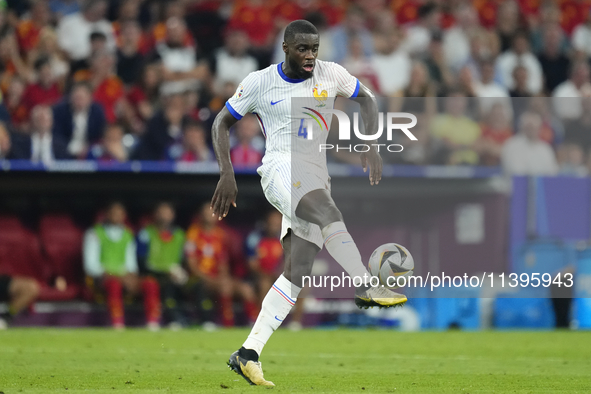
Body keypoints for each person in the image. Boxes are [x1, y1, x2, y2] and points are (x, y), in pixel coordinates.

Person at [210, 20, 405, 386]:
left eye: (314, 48)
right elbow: (221, 122)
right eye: (303, 49)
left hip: (316, 175)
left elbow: (367, 98)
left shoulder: (331, 74)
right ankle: (366, 283)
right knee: (330, 213)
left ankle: (248, 353)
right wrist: (227, 172)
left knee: (297, 272)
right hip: (281, 169)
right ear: (285, 47)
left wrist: (370, 143)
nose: (311, 56)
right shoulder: (260, 82)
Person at [83, 201, 161, 330]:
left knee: (150, 283)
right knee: (114, 284)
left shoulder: (127, 234)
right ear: (106, 214)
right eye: (113, 213)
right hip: (102, 278)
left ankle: (153, 323)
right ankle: (117, 323)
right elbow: (90, 266)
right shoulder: (94, 233)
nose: (116, 216)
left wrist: (130, 277)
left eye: (119, 213)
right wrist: (114, 275)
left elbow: (131, 264)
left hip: (124, 277)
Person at [185, 203, 258, 328]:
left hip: (218, 279)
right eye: (207, 212)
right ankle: (227, 323)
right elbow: (191, 266)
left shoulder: (220, 235)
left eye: (213, 211)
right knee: (225, 288)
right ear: (201, 215)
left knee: (246, 289)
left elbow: (223, 262)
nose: (211, 214)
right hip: (199, 279)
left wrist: (223, 277)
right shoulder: (193, 234)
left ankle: (255, 324)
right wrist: (212, 279)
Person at [137, 202, 188, 328]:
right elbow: (141, 261)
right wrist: (164, 271)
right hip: (152, 273)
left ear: (173, 215)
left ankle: (198, 320)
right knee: (165, 285)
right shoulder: (145, 233)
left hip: (175, 273)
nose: (164, 216)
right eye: (161, 212)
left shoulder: (180, 235)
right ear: (155, 214)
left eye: (167, 212)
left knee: (192, 285)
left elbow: (185, 258)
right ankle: (170, 319)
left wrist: (180, 271)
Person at [52, 82, 106, 158]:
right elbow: (57, 134)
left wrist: (88, 148)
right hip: (66, 149)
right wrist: (70, 148)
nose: (79, 102)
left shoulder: (97, 111)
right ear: (70, 98)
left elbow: (100, 134)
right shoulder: (60, 110)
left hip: (89, 150)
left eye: (81, 98)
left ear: (89, 98)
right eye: (76, 98)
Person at [501, 112, 558, 176]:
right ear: (522, 127)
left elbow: (552, 173)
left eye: (535, 127)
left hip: (542, 184)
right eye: (529, 126)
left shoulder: (546, 149)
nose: (532, 130)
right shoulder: (511, 146)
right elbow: (515, 171)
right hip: (517, 184)